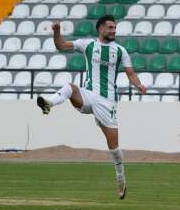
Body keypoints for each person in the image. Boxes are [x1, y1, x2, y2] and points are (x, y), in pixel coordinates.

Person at [36, 15, 147, 199]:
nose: (114, 31)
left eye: (115, 28)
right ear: (100, 29)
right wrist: (56, 32)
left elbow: (131, 74)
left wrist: (139, 85)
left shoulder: (120, 51)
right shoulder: (87, 45)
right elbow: (61, 46)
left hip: (107, 101)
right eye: (110, 27)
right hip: (87, 95)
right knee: (69, 87)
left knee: (114, 148)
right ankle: (49, 103)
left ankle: (121, 180)